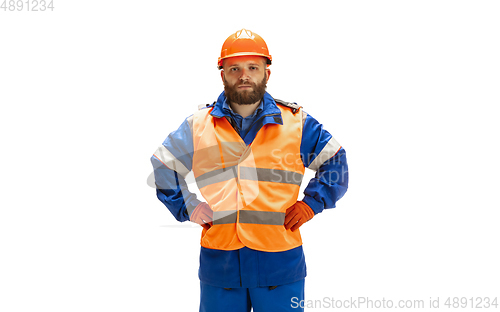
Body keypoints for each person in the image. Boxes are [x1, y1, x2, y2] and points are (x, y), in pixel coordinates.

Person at [150, 28, 348, 312]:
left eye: (253, 67)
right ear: (222, 75)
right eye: (234, 68)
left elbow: (336, 161)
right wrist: (189, 206)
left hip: (280, 264)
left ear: (267, 72)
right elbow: (163, 163)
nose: (244, 76)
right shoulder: (198, 125)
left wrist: (311, 204)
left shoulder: (296, 123)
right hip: (222, 266)